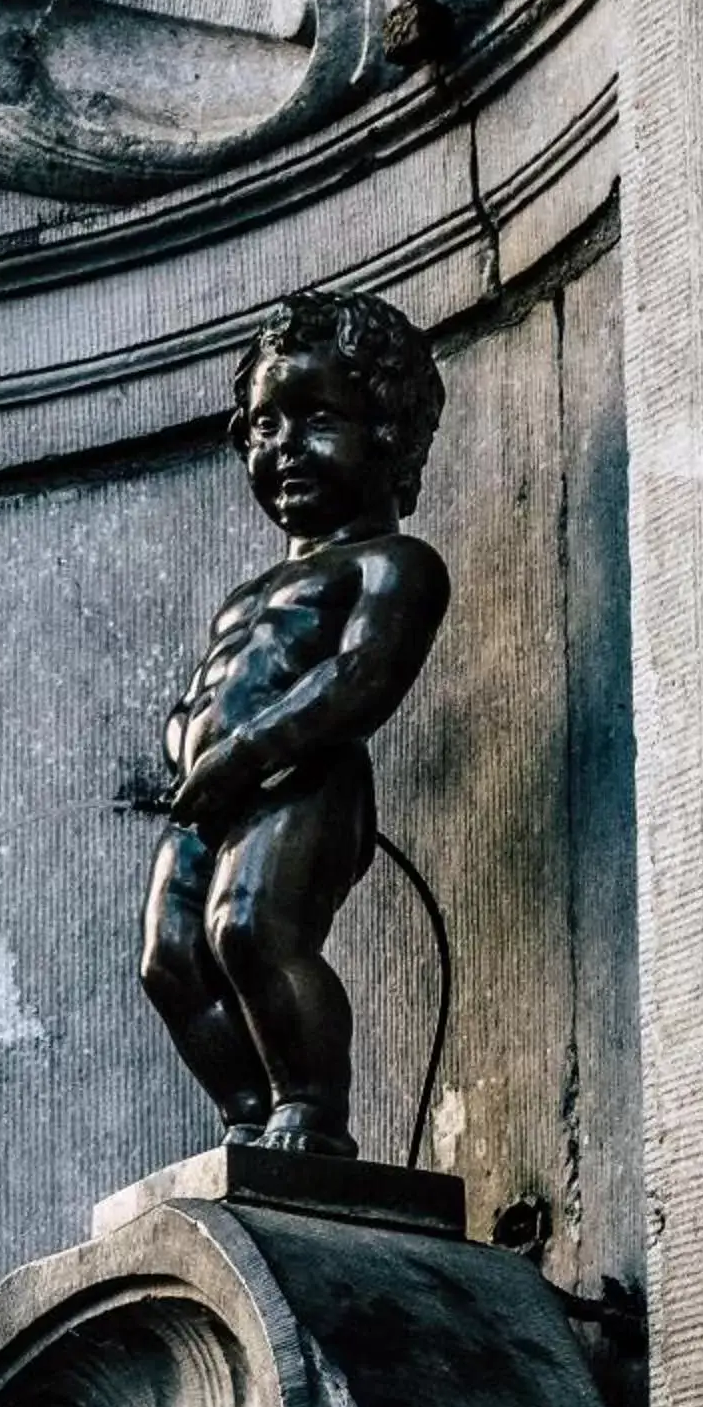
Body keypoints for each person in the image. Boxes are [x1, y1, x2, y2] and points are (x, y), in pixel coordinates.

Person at [140, 287, 450, 1156]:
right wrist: (184, 744)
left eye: (315, 417)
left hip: (307, 779)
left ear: (387, 434)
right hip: (213, 794)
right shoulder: (246, 596)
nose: (284, 447)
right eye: (265, 425)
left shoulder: (393, 565)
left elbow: (361, 677)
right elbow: (205, 690)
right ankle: (248, 1118)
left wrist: (243, 755)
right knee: (170, 958)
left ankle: (310, 1111)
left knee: (248, 929)